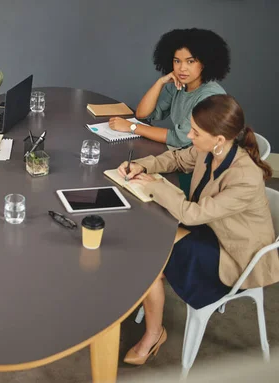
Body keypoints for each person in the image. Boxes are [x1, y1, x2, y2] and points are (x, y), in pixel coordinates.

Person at [116, 94, 279, 365]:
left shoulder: (245, 177)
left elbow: (193, 215)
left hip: (236, 256)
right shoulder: (210, 149)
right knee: (149, 242)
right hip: (213, 230)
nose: (189, 135)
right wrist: (143, 165)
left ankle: (154, 334)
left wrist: (155, 186)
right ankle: (147, 308)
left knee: (150, 261)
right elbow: (178, 159)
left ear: (219, 139)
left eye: (196, 132)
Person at [109, 28, 230, 149]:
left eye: (190, 61)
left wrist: (131, 127)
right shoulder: (177, 86)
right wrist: (160, 82)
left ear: (204, 64)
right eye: (177, 61)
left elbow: (180, 139)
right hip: (181, 157)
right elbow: (143, 114)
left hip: (202, 161)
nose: (182, 68)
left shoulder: (210, 96)